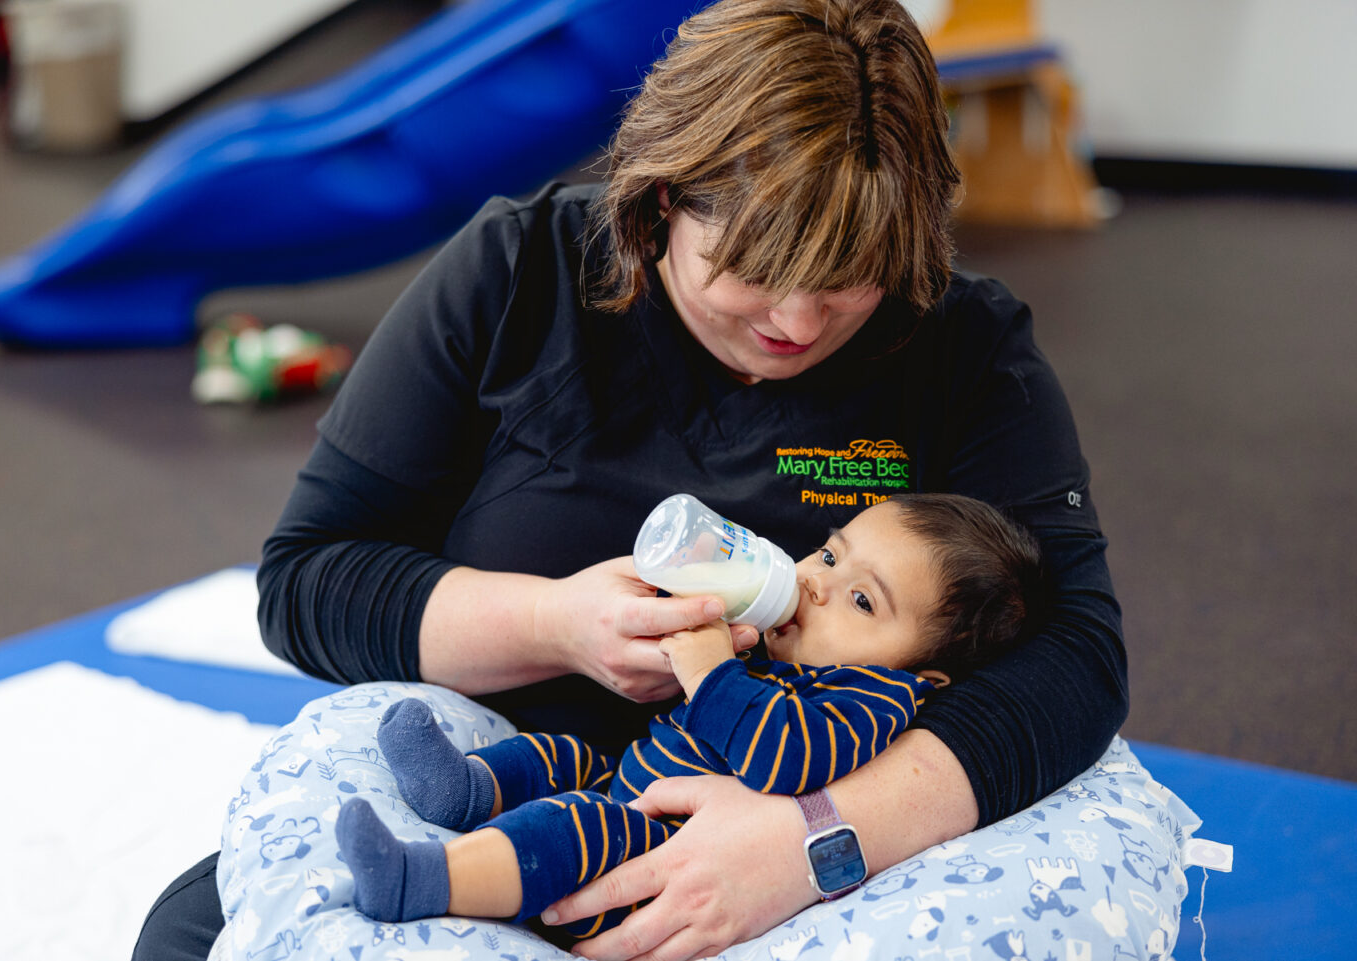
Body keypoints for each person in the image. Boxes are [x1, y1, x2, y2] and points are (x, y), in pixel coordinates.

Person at [133, 1, 1127, 959]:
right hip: (513, 793)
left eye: (846, 277)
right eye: (750, 265)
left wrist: (815, 839)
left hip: (800, 828)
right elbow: (309, 580)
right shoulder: (516, 274)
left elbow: (1079, 656)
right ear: (662, 202)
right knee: (200, 934)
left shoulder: (962, 345)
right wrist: (554, 624)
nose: (796, 321)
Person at [334, 494, 1046, 936]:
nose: (817, 584)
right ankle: (459, 788)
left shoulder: (876, 698)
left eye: (863, 600)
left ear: (924, 672)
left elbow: (786, 756)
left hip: (659, 855)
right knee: (564, 753)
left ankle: (421, 879)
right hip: (633, 787)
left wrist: (710, 670)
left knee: (575, 822)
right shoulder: (785, 650)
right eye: (831, 553)